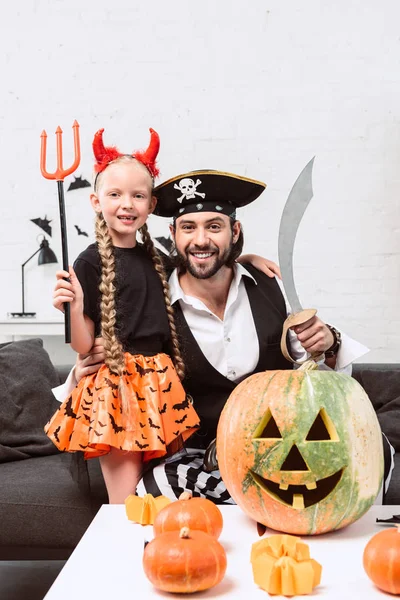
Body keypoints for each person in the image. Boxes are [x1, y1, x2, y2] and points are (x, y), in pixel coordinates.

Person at [55, 170, 393, 504]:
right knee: (152, 495)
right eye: (189, 227)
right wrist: (82, 366)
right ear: (173, 234)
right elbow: (124, 367)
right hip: (202, 459)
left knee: (375, 451)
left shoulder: (268, 286)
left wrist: (329, 343)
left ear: (235, 231)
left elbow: (316, 372)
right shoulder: (154, 292)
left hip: (281, 447)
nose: (201, 240)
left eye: (214, 227)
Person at [45, 129, 201, 504]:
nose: (126, 203)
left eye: (138, 195)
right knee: (128, 500)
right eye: (115, 194)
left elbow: (205, 268)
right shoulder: (89, 262)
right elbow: (83, 345)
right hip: (116, 388)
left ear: (151, 205)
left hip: (161, 385)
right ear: (96, 201)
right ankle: (126, 558)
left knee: (160, 491)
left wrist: (246, 259)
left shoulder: (160, 262)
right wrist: (76, 306)